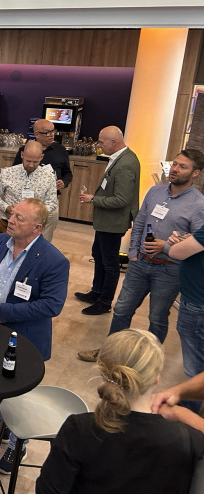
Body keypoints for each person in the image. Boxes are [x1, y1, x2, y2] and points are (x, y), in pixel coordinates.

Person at [36, 329, 204, 494]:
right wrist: (183, 415)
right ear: (157, 377)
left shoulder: (79, 428)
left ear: (104, 373)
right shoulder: (186, 441)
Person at [78, 150, 204, 363]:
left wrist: (168, 245)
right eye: (175, 164)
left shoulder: (199, 204)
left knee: (157, 317)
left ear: (195, 173)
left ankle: (147, 363)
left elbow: (197, 243)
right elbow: (139, 222)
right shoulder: (155, 192)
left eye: (182, 166)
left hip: (169, 269)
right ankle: (111, 354)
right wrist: (133, 253)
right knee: (122, 309)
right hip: (140, 263)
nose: (174, 169)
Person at [0, 198, 70, 473]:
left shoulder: (54, 261)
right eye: (12, 214)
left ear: (37, 227)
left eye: (19, 217)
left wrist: (5, 312)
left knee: (21, 393)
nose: (11, 219)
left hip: (25, 338)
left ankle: (19, 444)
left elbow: (52, 305)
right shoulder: (0, 242)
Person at [75, 126, 141, 315]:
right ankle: (96, 292)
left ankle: (104, 302)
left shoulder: (126, 163)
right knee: (98, 254)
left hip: (113, 223)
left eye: (102, 142)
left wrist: (93, 199)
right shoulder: (119, 158)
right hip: (105, 221)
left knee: (110, 263)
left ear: (114, 142)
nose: (99, 145)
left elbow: (122, 200)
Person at [167, 208, 204, 404]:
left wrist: (175, 243)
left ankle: (191, 414)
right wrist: (191, 239)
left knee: (195, 370)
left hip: (197, 303)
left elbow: (176, 252)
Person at [12, 120, 73, 236]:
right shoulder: (25, 150)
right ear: (37, 134)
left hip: (50, 200)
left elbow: (68, 173)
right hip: (28, 199)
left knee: (45, 237)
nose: (51, 135)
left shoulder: (61, 150)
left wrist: (64, 182)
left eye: (52, 131)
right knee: (24, 234)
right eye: (47, 132)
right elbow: (15, 173)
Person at [0, 140, 58, 240]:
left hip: (33, 228)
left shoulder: (49, 177)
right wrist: (6, 207)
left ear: (41, 157)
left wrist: (34, 213)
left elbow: (52, 202)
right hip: (8, 224)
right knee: (3, 249)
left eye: (35, 162)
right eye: (28, 161)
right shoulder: (7, 173)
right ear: (22, 155)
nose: (31, 165)